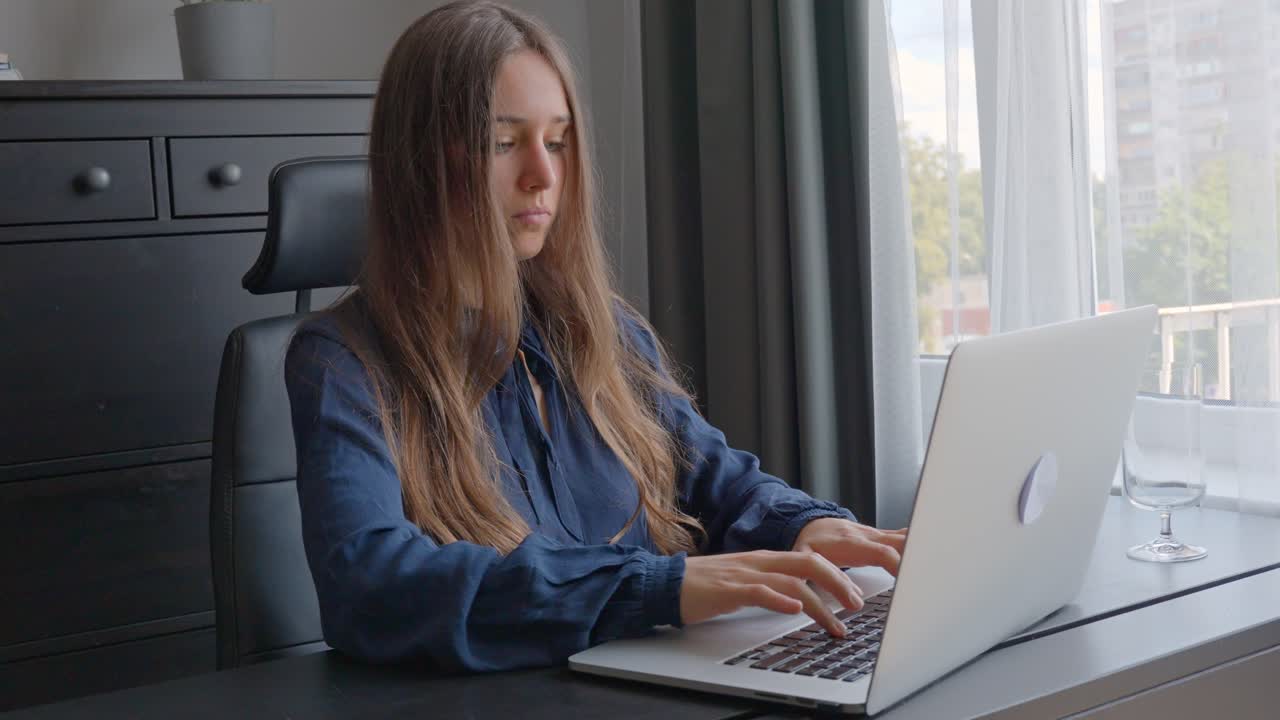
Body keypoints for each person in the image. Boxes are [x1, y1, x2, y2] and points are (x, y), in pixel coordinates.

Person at [284, 0, 906, 673]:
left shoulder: (598, 328)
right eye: (504, 142)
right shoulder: (341, 361)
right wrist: (660, 588)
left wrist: (807, 526)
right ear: (422, 157)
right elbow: (372, 586)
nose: (544, 176)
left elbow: (719, 480)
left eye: (556, 140)